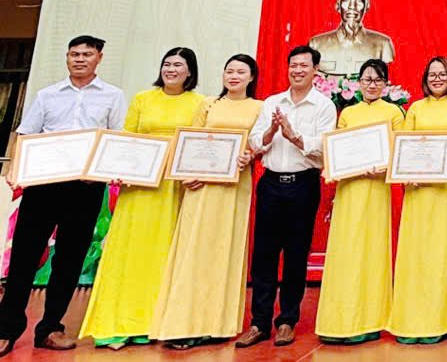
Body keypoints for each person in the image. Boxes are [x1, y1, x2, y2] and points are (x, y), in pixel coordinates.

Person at [0, 35, 124, 357]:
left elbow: (116, 139)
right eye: (74, 54)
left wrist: (115, 170)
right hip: (43, 186)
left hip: (86, 188)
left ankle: (50, 328)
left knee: (69, 260)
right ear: (67, 57)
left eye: (86, 54)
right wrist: (14, 170)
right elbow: (25, 135)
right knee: (25, 258)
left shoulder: (113, 96)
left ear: (98, 58)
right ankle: (6, 329)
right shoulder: (47, 95)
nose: (79, 59)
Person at [79, 48, 205, 349]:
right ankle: (117, 324)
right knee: (128, 251)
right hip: (138, 187)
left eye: (178, 65)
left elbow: (200, 144)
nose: (170, 69)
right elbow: (126, 138)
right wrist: (116, 169)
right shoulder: (142, 99)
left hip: (173, 189)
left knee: (163, 254)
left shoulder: (201, 103)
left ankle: (153, 322)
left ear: (190, 72)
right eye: (166, 64)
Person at [149, 55, 263, 349]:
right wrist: (186, 174)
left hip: (233, 188)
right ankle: (182, 324)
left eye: (241, 72)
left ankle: (217, 325)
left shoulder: (259, 107)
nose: (234, 76)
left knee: (225, 249)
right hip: (200, 185)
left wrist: (251, 156)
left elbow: (260, 145)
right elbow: (190, 140)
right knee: (193, 249)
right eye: (229, 70)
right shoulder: (208, 105)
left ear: (252, 77)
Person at [236, 45, 338, 348]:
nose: (297, 70)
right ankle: (259, 323)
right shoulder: (272, 102)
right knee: (264, 255)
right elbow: (256, 141)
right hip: (270, 183)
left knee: (296, 254)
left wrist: (293, 135)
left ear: (315, 70)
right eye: (293, 65)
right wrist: (271, 131)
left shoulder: (324, 106)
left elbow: (324, 145)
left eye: (304, 65)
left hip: (303, 185)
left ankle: (287, 321)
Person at [315, 59, 405, 344]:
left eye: (378, 80)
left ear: (385, 84)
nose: (372, 85)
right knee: (346, 249)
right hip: (349, 189)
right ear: (358, 83)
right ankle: (338, 321)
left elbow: (399, 151)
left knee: (372, 249)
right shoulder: (348, 113)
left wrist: (384, 167)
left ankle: (370, 320)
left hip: (376, 190)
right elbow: (337, 149)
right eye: (367, 79)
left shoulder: (394, 113)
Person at [389, 57, 447, 344]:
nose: (437, 79)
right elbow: (404, 143)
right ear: (425, 79)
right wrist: (406, 173)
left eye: (442, 74)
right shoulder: (415, 108)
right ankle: (410, 320)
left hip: (446, 188)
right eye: (432, 74)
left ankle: (445, 320)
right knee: (415, 250)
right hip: (417, 187)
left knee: (443, 249)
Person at [308, 0, 395, 79]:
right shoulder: (316, 44)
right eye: (346, 0)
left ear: (367, 6)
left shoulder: (383, 44)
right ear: (337, 6)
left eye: (359, 1)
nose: (352, 6)